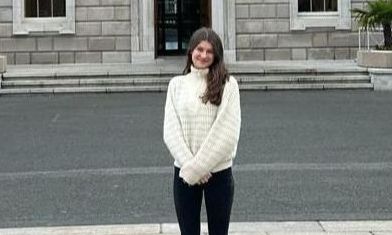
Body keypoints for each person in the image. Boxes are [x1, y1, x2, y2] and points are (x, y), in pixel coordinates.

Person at [163, 27, 241, 235]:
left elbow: (227, 133)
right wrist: (191, 168)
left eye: (209, 51)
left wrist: (198, 168)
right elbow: (170, 131)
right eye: (199, 49)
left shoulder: (228, 84)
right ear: (191, 51)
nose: (203, 55)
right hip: (184, 173)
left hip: (218, 173)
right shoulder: (176, 85)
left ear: (216, 55)